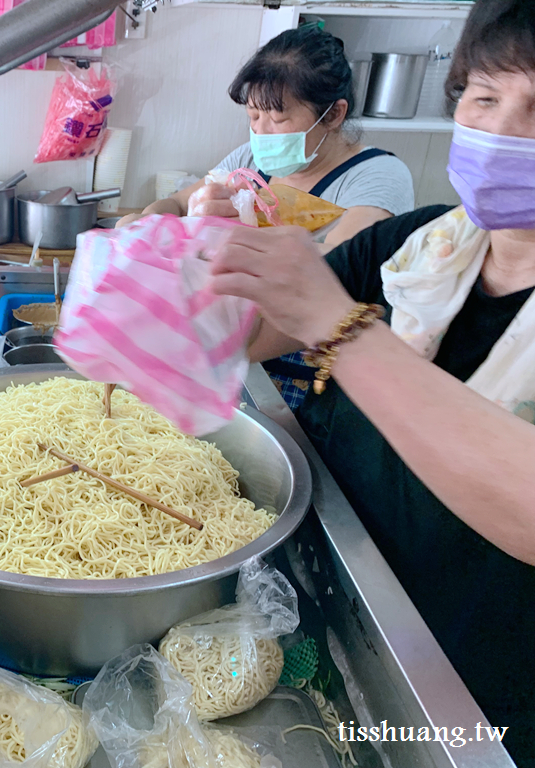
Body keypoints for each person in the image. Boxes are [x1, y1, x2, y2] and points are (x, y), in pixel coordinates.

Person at [208, 0, 535, 761]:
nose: (504, 132)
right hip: (345, 594)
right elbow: (251, 338)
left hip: (482, 681)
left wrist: (340, 328)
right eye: (486, 98)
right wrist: (215, 255)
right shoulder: (418, 244)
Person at [118, 25, 415, 249]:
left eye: (277, 118)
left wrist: (240, 238)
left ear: (334, 114)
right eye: (253, 116)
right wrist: (146, 221)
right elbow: (179, 203)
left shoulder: (378, 177)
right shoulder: (249, 160)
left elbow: (341, 264)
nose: (260, 132)